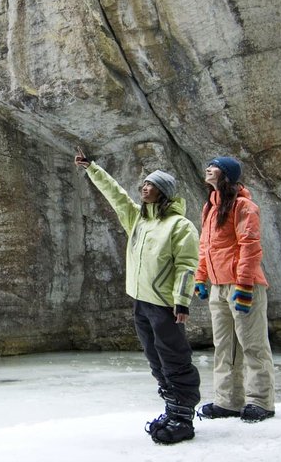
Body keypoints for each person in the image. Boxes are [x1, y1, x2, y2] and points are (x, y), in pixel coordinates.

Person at [74, 148, 200, 444]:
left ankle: (183, 416)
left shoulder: (179, 226)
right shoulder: (138, 221)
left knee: (174, 357)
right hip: (142, 302)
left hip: (165, 305)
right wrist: (92, 168)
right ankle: (172, 407)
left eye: (151, 184)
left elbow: (186, 266)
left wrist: (182, 300)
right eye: (143, 183)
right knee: (155, 357)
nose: (144, 187)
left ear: (163, 192)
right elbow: (116, 195)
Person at [193, 156, 276, 422]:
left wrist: (243, 285)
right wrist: (201, 277)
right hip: (218, 287)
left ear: (227, 174)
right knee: (224, 346)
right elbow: (205, 247)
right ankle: (228, 400)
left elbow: (250, 247)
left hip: (243, 285)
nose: (208, 168)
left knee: (252, 345)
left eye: (214, 166)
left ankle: (261, 401)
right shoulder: (210, 208)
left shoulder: (244, 206)